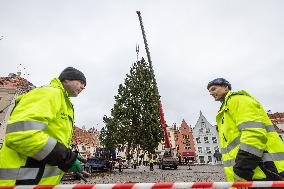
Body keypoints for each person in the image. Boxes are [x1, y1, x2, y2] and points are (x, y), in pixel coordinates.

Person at [0, 67, 86, 186]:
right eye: (81, 82)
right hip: (19, 182)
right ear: (66, 80)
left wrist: (69, 154)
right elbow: (22, 135)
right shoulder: (50, 93)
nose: (83, 87)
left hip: (35, 182)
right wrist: (66, 158)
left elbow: (52, 138)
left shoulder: (64, 103)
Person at [207, 78, 284, 185]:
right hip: (253, 173)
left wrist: (242, 170)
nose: (211, 93)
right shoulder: (224, 110)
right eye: (209, 91)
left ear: (226, 87)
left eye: (213, 89)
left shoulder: (238, 100)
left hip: (264, 171)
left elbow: (253, 134)